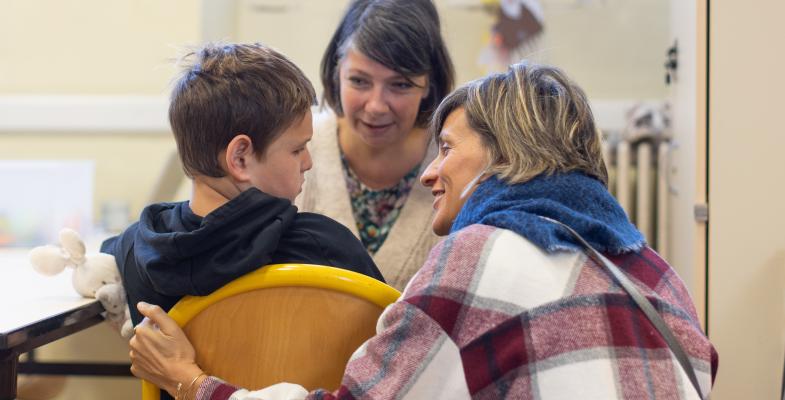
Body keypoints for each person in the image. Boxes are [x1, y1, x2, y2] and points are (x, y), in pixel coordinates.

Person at [129, 62, 718, 399]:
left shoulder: (481, 255)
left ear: (505, 156)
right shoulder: (656, 273)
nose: (431, 172)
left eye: (448, 148)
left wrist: (192, 383)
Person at [101, 42, 383, 325]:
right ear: (240, 158)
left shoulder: (137, 248)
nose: (308, 162)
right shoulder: (322, 246)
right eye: (297, 149)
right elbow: (394, 340)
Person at [296, 0, 455, 290]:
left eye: (401, 85)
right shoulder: (294, 147)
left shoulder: (456, 165)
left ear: (429, 84)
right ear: (337, 73)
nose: (376, 106)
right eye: (359, 81)